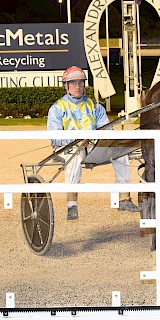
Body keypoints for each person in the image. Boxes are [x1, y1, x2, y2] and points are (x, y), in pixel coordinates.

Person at [47, 66, 141, 220]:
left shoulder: (95, 106)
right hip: (68, 149)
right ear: (66, 85)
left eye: (81, 83)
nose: (78, 86)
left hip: (92, 148)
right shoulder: (57, 108)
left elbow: (107, 128)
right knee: (75, 157)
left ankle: (124, 198)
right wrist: (75, 140)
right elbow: (54, 137)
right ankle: (72, 204)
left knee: (120, 152)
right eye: (73, 83)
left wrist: (103, 138)